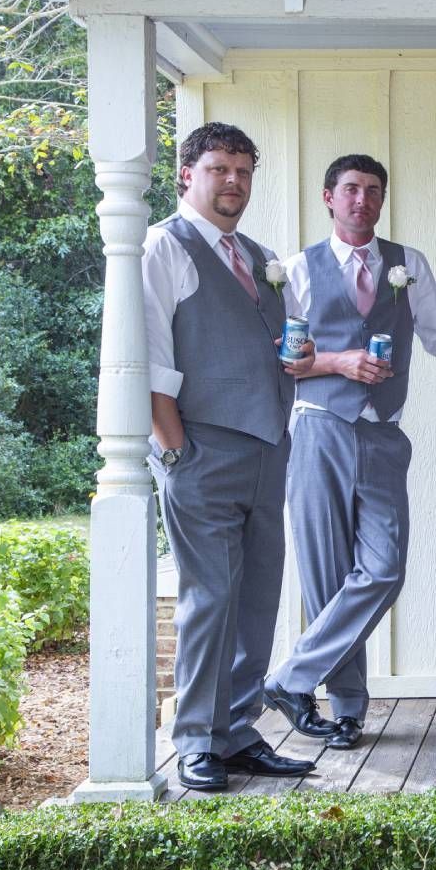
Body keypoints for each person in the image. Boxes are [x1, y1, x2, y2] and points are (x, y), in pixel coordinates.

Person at [261, 154, 436, 748]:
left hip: (383, 432)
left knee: (382, 569)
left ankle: (290, 678)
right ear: (329, 197)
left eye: (373, 190)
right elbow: (283, 357)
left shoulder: (408, 266)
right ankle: (346, 710)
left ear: (382, 200)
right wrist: (339, 362)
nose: (363, 200)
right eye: (351, 189)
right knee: (327, 576)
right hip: (318, 429)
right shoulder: (297, 269)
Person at [142, 122, 317, 791]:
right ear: (188, 174)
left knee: (256, 598)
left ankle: (237, 732)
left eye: (243, 171)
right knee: (210, 599)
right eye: (219, 169)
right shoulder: (163, 246)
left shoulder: (260, 257)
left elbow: (279, 348)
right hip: (202, 449)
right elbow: (149, 359)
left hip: (269, 447)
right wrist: (176, 453)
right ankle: (195, 740)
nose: (233, 182)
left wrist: (299, 358)